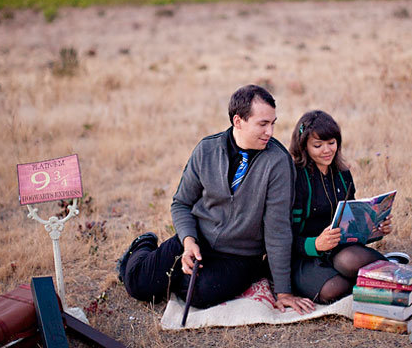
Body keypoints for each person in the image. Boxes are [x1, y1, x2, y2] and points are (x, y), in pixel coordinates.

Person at [118, 85, 315, 314]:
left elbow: (278, 229)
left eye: (273, 123)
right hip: (199, 239)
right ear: (238, 121)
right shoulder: (207, 149)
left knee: (199, 293)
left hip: (240, 256)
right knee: (138, 285)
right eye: (262, 124)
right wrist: (188, 241)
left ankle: (177, 275)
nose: (270, 132)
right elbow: (181, 203)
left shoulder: (278, 163)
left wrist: (283, 292)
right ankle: (144, 243)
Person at [288, 110, 394, 304]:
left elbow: (351, 223)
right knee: (331, 290)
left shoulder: (343, 175)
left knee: (350, 261)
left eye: (332, 143)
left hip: (339, 248)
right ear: (304, 147)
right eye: (318, 145)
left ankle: (392, 277)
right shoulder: (295, 178)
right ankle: (370, 276)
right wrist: (315, 244)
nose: (327, 150)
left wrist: (376, 228)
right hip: (304, 254)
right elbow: (284, 236)